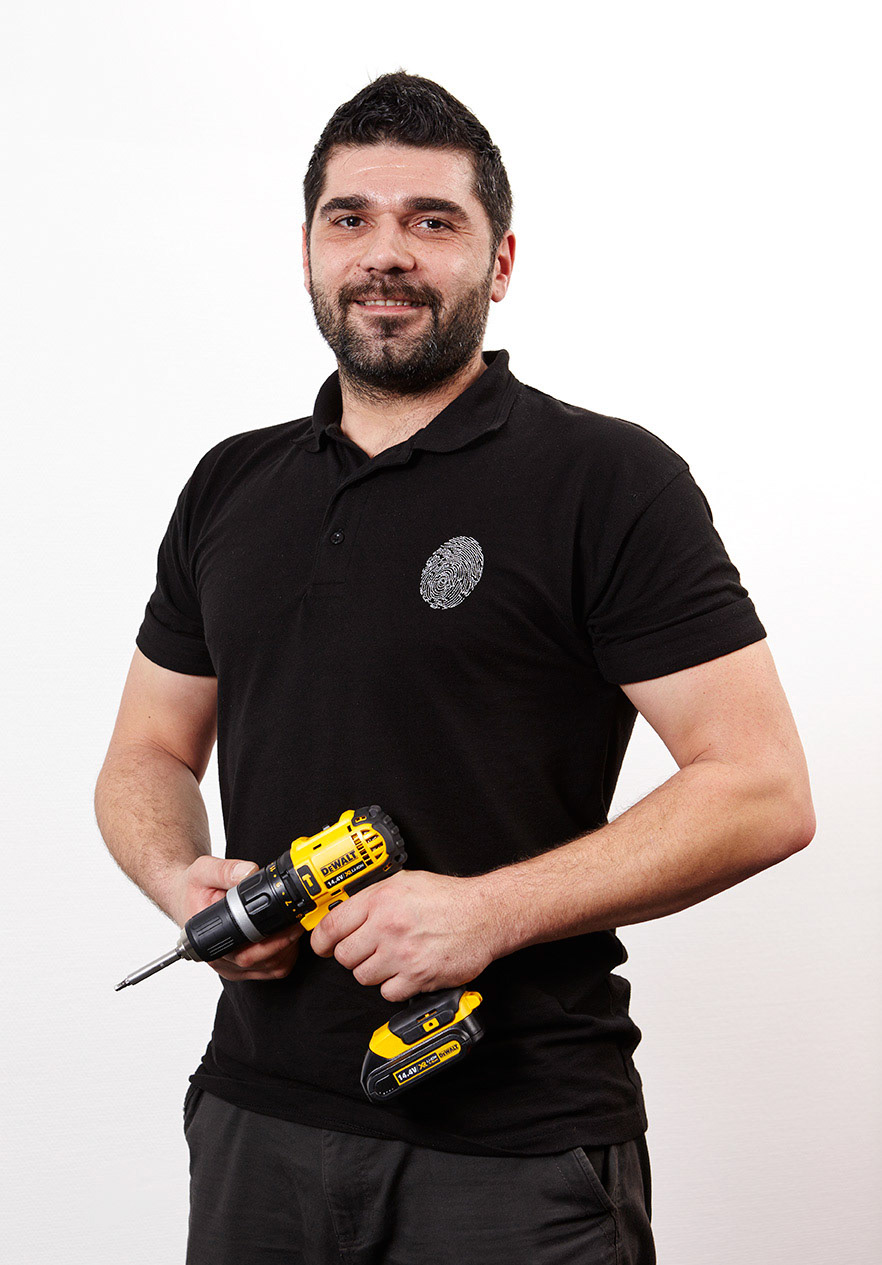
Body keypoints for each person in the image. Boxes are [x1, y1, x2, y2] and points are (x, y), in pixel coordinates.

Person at [95, 71, 815, 1265]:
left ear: (500, 260)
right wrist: (183, 883)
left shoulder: (606, 480)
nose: (387, 252)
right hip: (254, 1124)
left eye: (432, 220)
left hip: (517, 1152)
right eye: (351, 218)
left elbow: (763, 787)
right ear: (311, 251)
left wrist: (488, 910)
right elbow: (149, 750)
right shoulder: (231, 485)